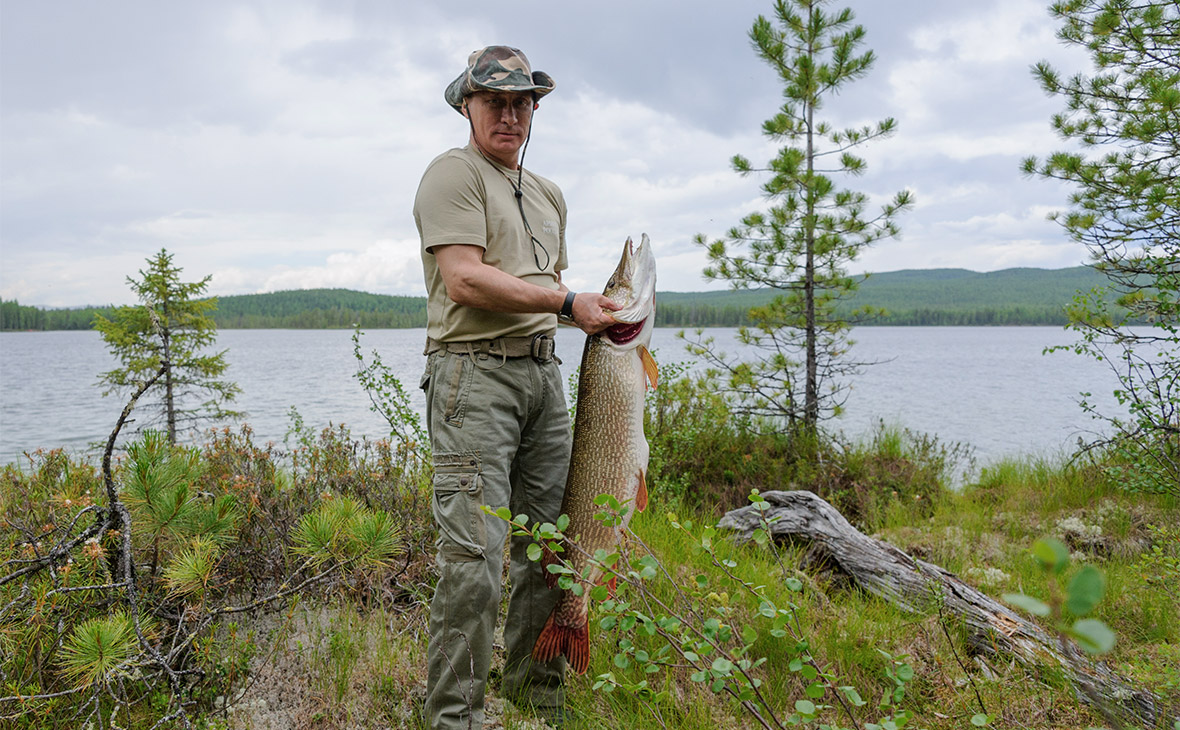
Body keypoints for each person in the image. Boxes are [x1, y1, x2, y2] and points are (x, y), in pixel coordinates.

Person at [413, 45, 618, 729]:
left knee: (553, 547)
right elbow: (464, 278)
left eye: (521, 101)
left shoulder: (549, 192)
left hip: (543, 378)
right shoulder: (452, 175)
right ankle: (453, 719)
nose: (508, 113)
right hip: (474, 379)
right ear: (466, 105)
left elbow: (547, 289)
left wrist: (580, 311)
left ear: (534, 109)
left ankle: (537, 701)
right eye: (493, 101)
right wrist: (567, 304)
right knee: (474, 564)